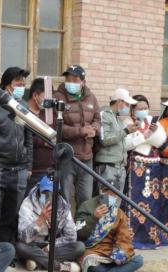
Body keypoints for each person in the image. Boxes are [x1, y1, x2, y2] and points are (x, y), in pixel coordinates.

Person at [125, 92, 168, 248]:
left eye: (145, 107)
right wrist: (144, 135)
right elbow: (126, 145)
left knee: (153, 205)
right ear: (133, 109)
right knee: (136, 204)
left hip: (155, 168)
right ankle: (135, 238)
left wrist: (154, 135)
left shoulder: (154, 122)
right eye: (139, 108)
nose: (143, 110)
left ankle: (153, 237)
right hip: (136, 168)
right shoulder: (127, 123)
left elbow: (163, 144)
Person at [0, 66, 33, 242]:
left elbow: (29, 138)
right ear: (8, 85)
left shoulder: (23, 106)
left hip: (19, 169)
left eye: (23, 84)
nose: (22, 87)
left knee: (12, 214)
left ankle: (6, 248)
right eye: (18, 83)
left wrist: (28, 165)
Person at [75, 185, 144, 272]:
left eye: (114, 194)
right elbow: (78, 232)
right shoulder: (87, 206)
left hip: (110, 253)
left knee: (138, 260)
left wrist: (119, 254)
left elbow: (124, 238)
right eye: (108, 192)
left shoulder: (119, 213)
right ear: (101, 192)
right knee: (93, 267)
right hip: (92, 251)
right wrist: (94, 217)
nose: (111, 196)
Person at [16, 175, 84, 272]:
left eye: (51, 193)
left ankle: (38, 262)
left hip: (52, 246)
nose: (48, 196)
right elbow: (24, 237)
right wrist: (40, 220)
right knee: (20, 247)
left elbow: (71, 236)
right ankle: (60, 266)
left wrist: (50, 246)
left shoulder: (63, 206)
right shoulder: (28, 203)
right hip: (33, 244)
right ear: (39, 190)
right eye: (45, 193)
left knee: (79, 247)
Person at [54, 65, 100, 207]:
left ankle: (82, 222)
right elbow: (57, 127)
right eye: (68, 79)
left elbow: (97, 119)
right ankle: (64, 222)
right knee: (65, 199)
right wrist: (81, 131)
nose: (71, 83)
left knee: (85, 199)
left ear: (83, 82)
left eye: (75, 80)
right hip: (67, 157)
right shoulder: (58, 97)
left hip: (87, 157)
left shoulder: (91, 97)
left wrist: (94, 129)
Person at [95, 87, 139, 195]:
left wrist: (130, 131)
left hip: (119, 167)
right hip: (108, 166)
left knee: (115, 202)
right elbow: (104, 139)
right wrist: (126, 131)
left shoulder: (117, 118)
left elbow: (120, 139)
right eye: (127, 104)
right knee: (106, 202)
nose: (128, 107)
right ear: (119, 101)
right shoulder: (104, 114)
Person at [26, 77, 55, 193]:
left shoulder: (48, 113)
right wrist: (43, 142)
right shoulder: (24, 113)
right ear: (35, 95)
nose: (49, 101)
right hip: (31, 170)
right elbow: (23, 138)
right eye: (46, 97)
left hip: (48, 169)